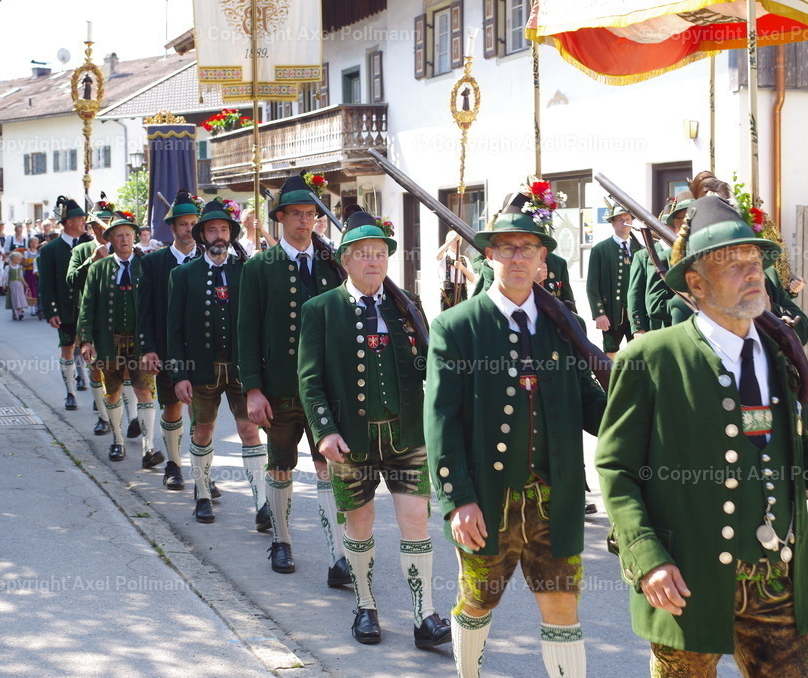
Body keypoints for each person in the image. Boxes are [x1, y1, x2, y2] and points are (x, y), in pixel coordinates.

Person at [595, 195, 808, 677]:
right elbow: (616, 470)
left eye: (755, 260)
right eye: (732, 264)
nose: (752, 272)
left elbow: (775, 446)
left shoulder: (777, 356)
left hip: (775, 579)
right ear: (695, 283)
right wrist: (647, 559)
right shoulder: (652, 358)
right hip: (686, 579)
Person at [426, 189, 607, 678]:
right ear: (489, 256)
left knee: (563, 609)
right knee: (478, 603)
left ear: (543, 258)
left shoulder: (563, 326)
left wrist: (638, 421)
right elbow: (441, 419)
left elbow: (589, 403)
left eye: (527, 248)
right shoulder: (456, 327)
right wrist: (457, 498)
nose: (517, 258)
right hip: (487, 501)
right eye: (506, 248)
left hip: (555, 498)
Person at [298, 214, 451, 649]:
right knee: (360, 523)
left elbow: (428, 366)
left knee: (416, 520)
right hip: (351, 440)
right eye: (364, 253)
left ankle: (425, 616)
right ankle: (366, 607)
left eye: (380, 253)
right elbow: (309, 380)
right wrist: (325, 432)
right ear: (345, 260)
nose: (373, 261)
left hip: (406, 435)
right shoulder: (320, 310)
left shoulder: (405, 306)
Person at [238, 173, 348, 579]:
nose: (305, 221)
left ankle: (338, 554)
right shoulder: (259, 266)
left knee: (328, 467)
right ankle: (281, 542)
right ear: (281, 217)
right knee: (280, 465)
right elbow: (245, 332)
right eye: (297, 214)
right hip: (279, 389)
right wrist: (252, 389)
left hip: (326, 389)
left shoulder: (332, 264)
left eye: (311, 214)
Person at [167, 198, 266, 525]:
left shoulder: (246, 271)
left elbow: (258, 323)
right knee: (204, 429)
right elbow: (174, 329)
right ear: (202, 236)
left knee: (249, 430)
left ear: (231, 233)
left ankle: (264, 502)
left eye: (224, 229)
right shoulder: (183, 275)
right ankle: (203, 494)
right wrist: (179, 374)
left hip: (241, 369)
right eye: (212, 230)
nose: (218, 235)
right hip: (201, 369)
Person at [77, 211, 160, 466]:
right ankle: (117, 441)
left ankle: (149, 448)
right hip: (108, 342)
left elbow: (157, 305)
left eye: (128, 235)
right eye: (119, 235)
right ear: (110, 239)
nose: (124, 239)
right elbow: (87, 305)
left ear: (135, 237)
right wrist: (86, 340)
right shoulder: (99, 268)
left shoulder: (146, 265)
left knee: (145, 391)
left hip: (140, 343)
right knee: (112, 393)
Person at [138, 190, 201, 492]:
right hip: (167, 350)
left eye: (193, 223)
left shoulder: (209, 260)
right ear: (172, 228)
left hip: (203, 352)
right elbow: (144, 311)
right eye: (183, 224)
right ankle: (174, 465)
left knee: (201, 414)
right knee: (172, 407)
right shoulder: (153, 264)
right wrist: (148, 348)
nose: (188, 229)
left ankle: (203, 473)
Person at [68, 201, 118, 436]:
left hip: (120, 320)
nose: (104, 229)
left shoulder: (124, 246)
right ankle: (102, 416)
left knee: (124, 371)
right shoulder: (81, 250)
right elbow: (72, 280)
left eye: (108, 223)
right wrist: (93, 259)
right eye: (99, 225)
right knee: (96, 368)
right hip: (93, 318)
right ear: (92, 228)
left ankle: (128, 417)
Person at [39, 197, 92, 411]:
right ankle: (70, 393)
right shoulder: (50, 249)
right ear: (69, 222)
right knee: (67, 350)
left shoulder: (91, 245)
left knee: (93, 352)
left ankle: (99, 395)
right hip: (66, 310)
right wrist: (51, 311)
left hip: (89, 310)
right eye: (80, 218)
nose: (84, 222)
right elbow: (46, 283)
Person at [587, 205, 642, 357]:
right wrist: (599, 313)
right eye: (620, 220)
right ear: (612, 223)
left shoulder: (641, 249)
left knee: (638, 354)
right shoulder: (600, 249)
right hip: (611, 313)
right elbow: (592, 285)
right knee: (611, 353)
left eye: (628, 219)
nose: (625, 223)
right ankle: (611, 381)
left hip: (636, 315)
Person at [436, 229, 476, 310]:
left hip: (462, 292)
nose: (455, 243)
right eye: (453, 241)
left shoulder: (464, 259)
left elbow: (472, 279)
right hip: (448, 293)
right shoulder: (444, 256)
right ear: (447, 241)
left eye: (458, 241)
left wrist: (462, 268)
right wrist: (452, 239)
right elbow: (437, 255)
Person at [5, 251, 31, 320]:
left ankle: (20, 311)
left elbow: (21, 277)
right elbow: (5, 276)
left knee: (20, 297)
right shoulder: (8, 267)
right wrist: (4, 284)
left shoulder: (19, 267)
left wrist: (25, 284)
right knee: (13, 298)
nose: (20, 261)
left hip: (19, 285)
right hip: (12, 284)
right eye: (18, 259)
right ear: (13, 260)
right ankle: (14, 312)